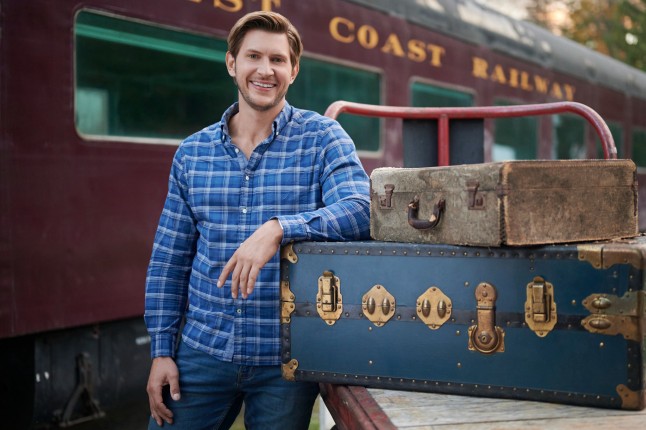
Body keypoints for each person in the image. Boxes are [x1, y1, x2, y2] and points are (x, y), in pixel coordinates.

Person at [144, 10, 371, 430]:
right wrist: (161, 351)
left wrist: (280, 228)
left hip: (284, 361)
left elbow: (362, 209)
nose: (265, 70)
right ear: (232, 63)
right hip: (202, 350)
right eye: (253, 56)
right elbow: (169, 260)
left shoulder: (323, 139)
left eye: (277, 60)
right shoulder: (193, 154)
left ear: (293, 70)